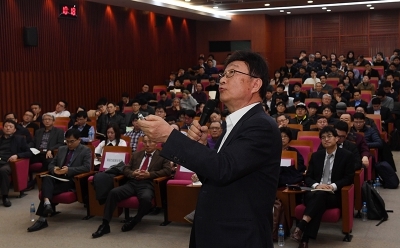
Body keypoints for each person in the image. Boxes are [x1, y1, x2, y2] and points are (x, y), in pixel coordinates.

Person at [138, 51, 281, 247]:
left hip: (238, 237)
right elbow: (215, 174)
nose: (223, 79)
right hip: (216, 231)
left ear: (255, 84)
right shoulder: (233, 125)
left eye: (232, 73)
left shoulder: (261, 125)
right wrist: (201, 147)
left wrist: (169, 136)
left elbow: (223, 168)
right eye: (223, 74)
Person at [91, 135, 171, 238]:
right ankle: (105, 224)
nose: (147, 144)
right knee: (113, 193)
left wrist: (149, 174)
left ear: (156, 143)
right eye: (145, 142)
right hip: (132, 183)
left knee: (146, 198)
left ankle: (135, 220)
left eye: (150, 142)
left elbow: (167, 171)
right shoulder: (137, 154)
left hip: (147, 184)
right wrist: (133, 173)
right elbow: (125, 169)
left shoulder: (162, 156)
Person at [290, 126, 354, 248]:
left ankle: (302, 230)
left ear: (336, 138)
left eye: (329, 136)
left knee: (320, 197)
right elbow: (308, 177)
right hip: (314, 192)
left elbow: (348, 178)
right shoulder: (316, 156)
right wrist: (317, 185)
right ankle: (304, 238)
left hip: (333, 195)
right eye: (323, 137)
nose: (326, 139)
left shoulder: (346, 156)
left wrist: (331, 186)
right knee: (319, 197)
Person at [27, 129, 92, 232]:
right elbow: (51, 164)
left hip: (72, 179)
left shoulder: (85, 150)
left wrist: (69, 170)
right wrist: (54, 169)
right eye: (67, 141)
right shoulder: (62, 149)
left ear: (79, 140)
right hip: (58, 176)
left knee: (46, 190)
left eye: (72, 141)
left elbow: (86, 168)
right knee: (47, 178)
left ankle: (42, 218)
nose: (69, 144)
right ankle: (47, 203)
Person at [0, 120, 32, 207]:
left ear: (14, 130)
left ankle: (5, 196)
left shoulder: (19, 139)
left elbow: (29, 153)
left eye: (10, 126)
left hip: (9, 163)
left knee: (3, 170)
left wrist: (17, 155)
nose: (8, 128)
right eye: (6, 126)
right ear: (3, 128)